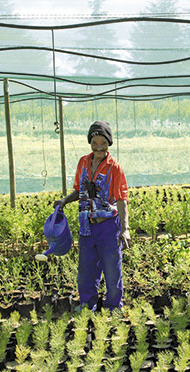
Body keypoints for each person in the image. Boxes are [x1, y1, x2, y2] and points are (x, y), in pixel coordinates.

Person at [54, 121, 132, 310]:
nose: (99, 146)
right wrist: (64, 201)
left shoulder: (114, 168)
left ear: (109, 144)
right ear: (90, 143)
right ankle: (88, 305)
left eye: (103, 142)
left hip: (108, 226)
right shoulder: (83, 162)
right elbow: (78, 191)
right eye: (95, 142)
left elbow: (121, 200)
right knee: (86, 270)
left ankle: (113, 307)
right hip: (86, 225)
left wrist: (125, 229)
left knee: (112, 270)